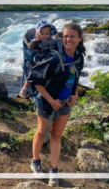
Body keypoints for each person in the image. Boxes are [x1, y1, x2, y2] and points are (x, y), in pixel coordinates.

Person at [27, 23, 85, 187]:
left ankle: (54, 169)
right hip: (47, 103)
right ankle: (35, 161)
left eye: (72, 36)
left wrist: (75, 94)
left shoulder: (79, 57)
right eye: (65, 36)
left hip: (65, 104)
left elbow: (74, 77)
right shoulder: (54, 58)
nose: (68, 39)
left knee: (56, 136)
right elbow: (35, 80)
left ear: (79, 39)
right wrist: (51, 101)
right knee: (40, 132)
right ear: (61, 38)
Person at [19, 20, 57, 98]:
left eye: (47, 34)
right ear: (38, 34)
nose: (44, 36)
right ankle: (25, 88)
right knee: (34, 71)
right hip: (35, 61)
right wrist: (37, 40)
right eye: (42, 34)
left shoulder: (50, 40)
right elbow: (30, 46)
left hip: (47, 60)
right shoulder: (35, 41)